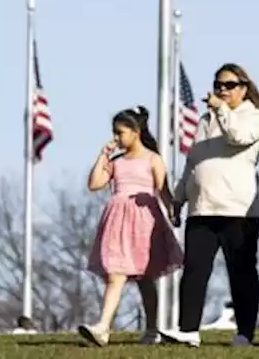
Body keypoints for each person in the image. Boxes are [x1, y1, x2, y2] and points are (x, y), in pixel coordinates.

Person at [163, 63, 259, 348]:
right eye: (218, 84)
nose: (222, 90)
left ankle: (244, 333)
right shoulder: (205, 120)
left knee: (241, 272)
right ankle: (188, 330)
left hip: (238, 212)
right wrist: (178, 197)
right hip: (202, 209)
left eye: (229, 85)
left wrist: (221, 110)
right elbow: (193, 162)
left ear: (243, 88)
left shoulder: (255, 117)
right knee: (195, 269)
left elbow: (237, 137)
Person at [78, 106, 183, 347]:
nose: (116, 138)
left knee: (146, 278)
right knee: (115, 274)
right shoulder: (116, 162)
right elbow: (94, 183)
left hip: (144, 223)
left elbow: (163, 191)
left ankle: (152, 329)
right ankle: (103, 327)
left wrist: (173, 212)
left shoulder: (153, 159)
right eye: (114, 133)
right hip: (117, 222)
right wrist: (103, 155)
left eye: (120, 132)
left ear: (135, 132)